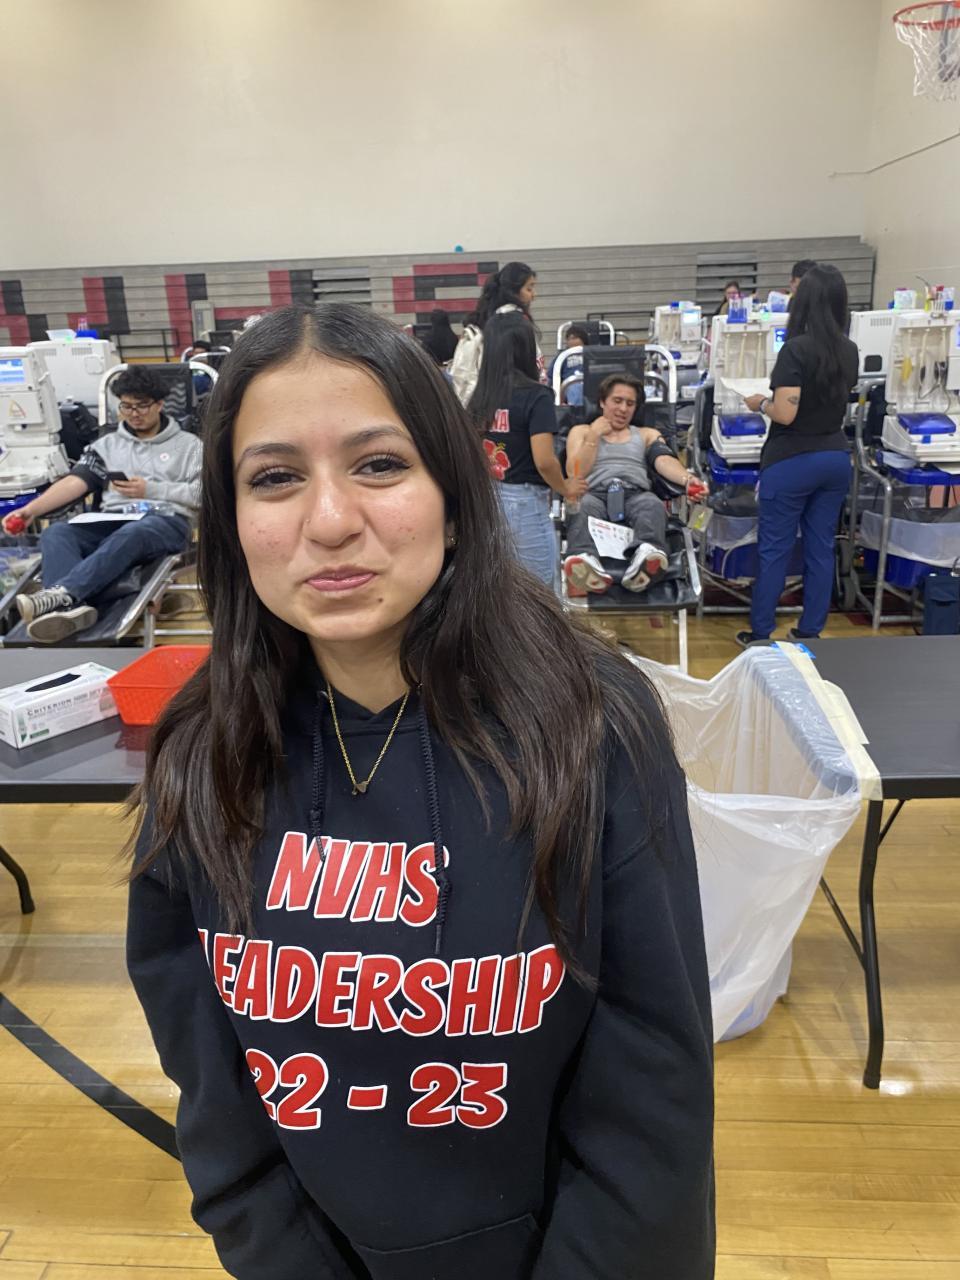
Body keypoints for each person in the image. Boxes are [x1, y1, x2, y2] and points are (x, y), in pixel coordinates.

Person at [126, 302, 715, 1280]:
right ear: (231, 519)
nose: (329, 520)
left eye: (378, 464)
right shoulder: (202, 749)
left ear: (451, 486)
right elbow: (216, 1101)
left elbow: (652, 1098)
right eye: (275, 477)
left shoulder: (591, 723)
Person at [1, 365, 201, 642]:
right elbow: (76, 482)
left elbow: (203, 494)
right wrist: (30, 510)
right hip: (112, 521)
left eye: (142, 406)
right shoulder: (106, 445)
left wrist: (151, 489)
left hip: (165, 522)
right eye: (126, 406)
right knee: (57, 533)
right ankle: (67, 611)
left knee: (134, 533)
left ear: (160, 404)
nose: (134, 413)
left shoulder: (189, 446)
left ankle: (62, 596)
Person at [735, 264, 858, 646]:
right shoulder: (849, 350)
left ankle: (760, 633)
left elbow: (786, 413)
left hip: (792, 460)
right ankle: (810, 631)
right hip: (835, 457)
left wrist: (760, 403)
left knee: (775, 549)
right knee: (820, 548)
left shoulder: (796, 350)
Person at [469, 312, 585, 587]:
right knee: (539, 590)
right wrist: (566, 487)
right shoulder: (536, 395)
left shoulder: (480, 397)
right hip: (525, 503)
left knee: (500, 588)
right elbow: (544, 460)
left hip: (487, 499)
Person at [563, 375, 707, 595]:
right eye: (617, 401)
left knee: (652, 505)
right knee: (581, 507)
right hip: (593, 494)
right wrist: (594, 436)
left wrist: (687, 480)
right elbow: (575, 473)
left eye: (630, 403)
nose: (623, 408)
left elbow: (663, 460)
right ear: (602, 402)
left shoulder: (647, 434)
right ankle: (585, 562)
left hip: (635, 493)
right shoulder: (581, 432)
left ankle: (647, 557)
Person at [450, 262, 542, 403]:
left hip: (483, 405)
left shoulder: (482, 325)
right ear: (513, 291)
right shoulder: (513, 326)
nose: (534, 295)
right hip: (509, 403)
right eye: (529, 289)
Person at [548, 324, 589, 408]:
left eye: (575, 337)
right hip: (569, 385)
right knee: (575, 387)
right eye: (569, 338)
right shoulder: (562, 356)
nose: (571, 340)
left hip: (590, 382)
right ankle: (577, 413)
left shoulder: (592, 353)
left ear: (583, 339)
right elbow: (551, 376)